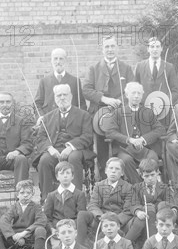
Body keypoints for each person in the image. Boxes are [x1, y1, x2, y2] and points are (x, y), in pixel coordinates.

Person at [83, 35, 135, 176]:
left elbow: (132, 89)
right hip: (99, 113)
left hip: (121, 112)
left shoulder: (126, 68)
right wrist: (104, 99)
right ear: (102, 49)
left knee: (122, 147)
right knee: (101, 150)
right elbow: (86, 90)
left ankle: (122, 180)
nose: (110, 49)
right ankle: (103, 181)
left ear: (117, 48)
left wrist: (119, 101)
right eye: (107, 47)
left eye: (112, 46)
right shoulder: (93, 69)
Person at [34, 84, 94, 202]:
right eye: (59, 95)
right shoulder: (47, 117)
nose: (62, 98)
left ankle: (75, 198)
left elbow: (87, 136)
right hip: (54, 149)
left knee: (73, 158)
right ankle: (47, 199)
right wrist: (50, 148)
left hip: (76, 150)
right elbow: (40, 137)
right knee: (44, 160)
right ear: (55, 98)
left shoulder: (83, 115)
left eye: (65, 94)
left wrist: (71, 147)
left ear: (71, 96)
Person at [103, 82, 166, 184]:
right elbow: (110, 132)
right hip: (125, 149)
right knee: (126, 161)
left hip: (146, 148)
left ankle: (150, 185)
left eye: (139, 93)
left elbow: (160, 129)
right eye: (133, 93)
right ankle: (137, 185)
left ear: (142, 96)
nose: (136, 96)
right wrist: (129, 139)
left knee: (152, 159)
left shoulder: (148, 112)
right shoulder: (118, 113)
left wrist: (143, 139)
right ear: (127, 95)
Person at [123, 158, 177, 249]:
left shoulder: (164, 188)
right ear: (141, 175)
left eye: (152, 175)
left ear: (157, 172)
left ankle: (158, 245)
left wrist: (173, 208)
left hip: (159, 220)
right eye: (146, 176)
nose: (150, 178)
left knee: (163, 204)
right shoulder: (136, 188)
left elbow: (171, 201)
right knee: (148, 208)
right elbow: (132, 203)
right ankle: (124, 246)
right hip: (142, 218)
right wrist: (138, 211)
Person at [0, 180, 48, 249]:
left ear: (32, 194)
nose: (25, 195)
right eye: (22, 193)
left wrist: (24, 233)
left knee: (41, 229)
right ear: (17, 195)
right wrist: (12, 236)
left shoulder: (36, 207)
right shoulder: (14, 207)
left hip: (29, 237)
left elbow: (41, 220)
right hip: (15, 238)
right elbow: (4, 220)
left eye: (28, 193)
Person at [42, 162, 93, 247]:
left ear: (72, 176)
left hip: (72, 228)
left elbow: (81, 216)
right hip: (57, 230)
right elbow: (47, 216)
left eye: (68, 173)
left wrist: (71, 227)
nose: (65, 176)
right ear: (57, 177)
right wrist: (51, 228)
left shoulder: (79, 194)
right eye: (61, 173)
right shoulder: (51, 195)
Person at [87, 157, 133, 234]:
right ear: (106, 171)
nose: (113, 171)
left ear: (122, 173)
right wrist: (101, 217)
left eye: (117, 169)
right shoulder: (99, 186)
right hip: (102, 219)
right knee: (83, 214)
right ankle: (82, 243)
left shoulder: (128, 187)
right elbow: (93, 205)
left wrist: (115, 221)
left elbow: (127, 209)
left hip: (119, 222)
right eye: (111, 168)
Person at [35, 48, 85, 115]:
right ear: (51, 61)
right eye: (55, 59)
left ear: (66, 61)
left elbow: (81, 104)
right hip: (49, 122)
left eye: (61, 59)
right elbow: (37, 104)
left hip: (70, 122)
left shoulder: (75, 81)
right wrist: (41, 117)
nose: (58, 62)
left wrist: (79, 119)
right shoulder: (44, 81)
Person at [134, 36, 178, 104]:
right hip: (144, 110)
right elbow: (134, 89)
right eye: (152, 47)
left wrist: (165, 102)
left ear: (161, 48)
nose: (155, 49)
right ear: (148, 49)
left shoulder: (169, 67)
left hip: (164, 110)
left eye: (157, 47)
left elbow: (175, 91)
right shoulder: (140, 66)